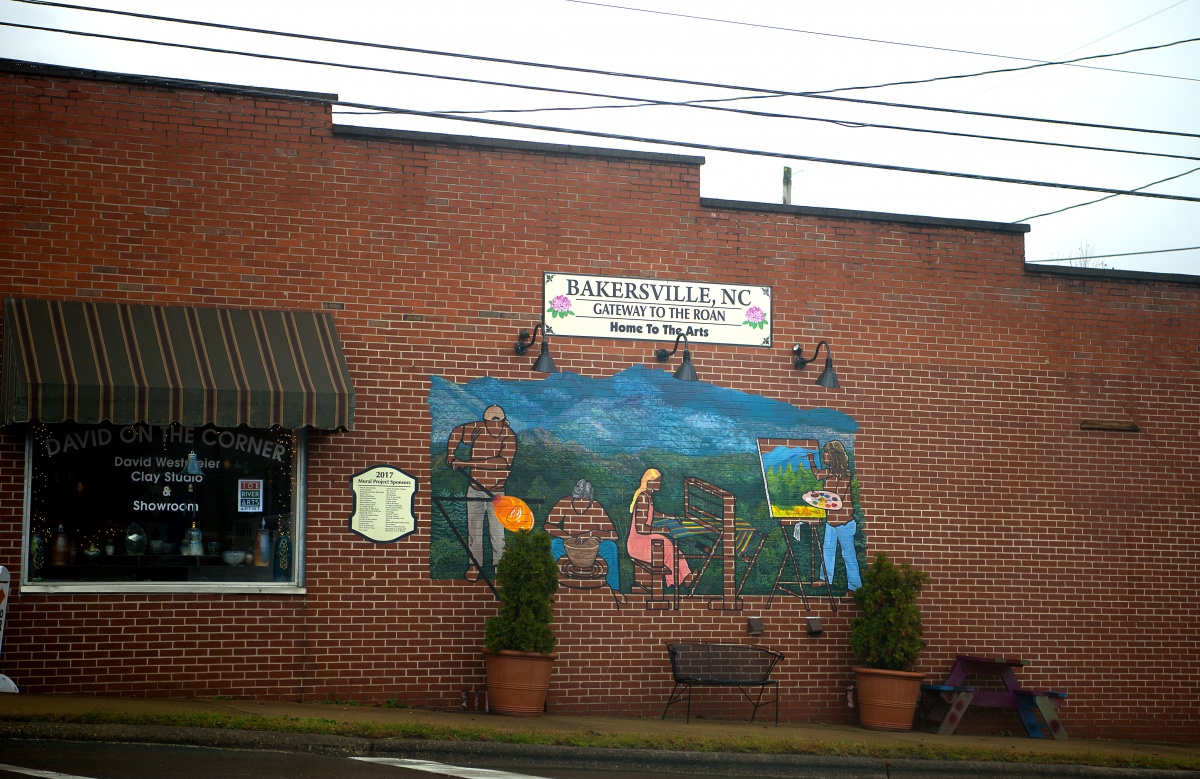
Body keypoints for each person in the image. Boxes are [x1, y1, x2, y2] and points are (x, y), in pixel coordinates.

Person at [445, 404, 517, 581]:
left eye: (496, 423)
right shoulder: (477, 428)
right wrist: (450, 453)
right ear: (485, 421)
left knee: (497, 531)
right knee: (474, 530)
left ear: (502, 422)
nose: (492, 427)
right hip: (475, 489)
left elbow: (502, 462)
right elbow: (456, 432)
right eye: (488, 423)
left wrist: (467, 463)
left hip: (497, 493)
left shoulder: (509, 436)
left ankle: (500, 566)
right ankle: (474, 565)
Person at [544, 479, 626, 605]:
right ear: (574, 497)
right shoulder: (564, 503)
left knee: (611, 547)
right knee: (555, 545)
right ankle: (551, 586)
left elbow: (613, 535)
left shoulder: (596, 506)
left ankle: (614, 589)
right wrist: (566, 536)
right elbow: (548, 525)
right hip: (569, 544)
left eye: (586, 501)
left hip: (593, 546)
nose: (582, 504)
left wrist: (592, 533)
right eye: (578, 501)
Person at [806, 440, 862, 591]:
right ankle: (825, 579)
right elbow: (817, 475)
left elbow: (837, 499)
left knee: (848, 555)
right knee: (828, 550)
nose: (824, 455)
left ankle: (855, 588)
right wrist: (811, 462)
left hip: (844, 522)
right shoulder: (829, 472)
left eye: (826, 453)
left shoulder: (845, 474)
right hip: (832, 521)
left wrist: (817, 499)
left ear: (833, 455)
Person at [626, 468, 693, 589]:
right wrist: (661, 530)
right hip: (637, 544)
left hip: (642, 540)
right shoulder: (643, 498)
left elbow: (650, 512)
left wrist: (667, 516)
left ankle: (686, 577)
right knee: (666, 545)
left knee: (671, 548)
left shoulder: (647, 496)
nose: (659, 484)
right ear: (649, 482)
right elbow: (641, 528)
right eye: (657, 481)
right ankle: (680, 579)